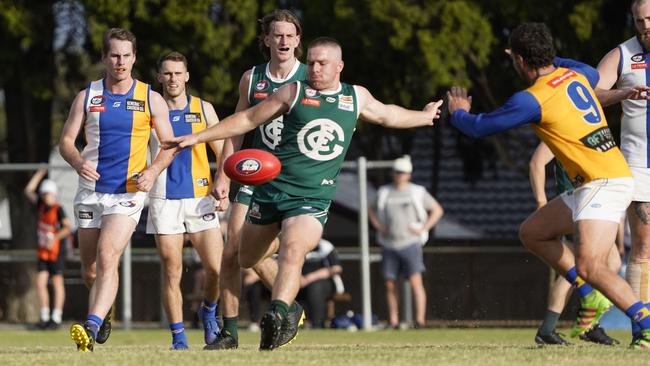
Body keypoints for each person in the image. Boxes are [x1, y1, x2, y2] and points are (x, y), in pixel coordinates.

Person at [163, 36, 443, 350]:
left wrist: (424, 116)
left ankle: (278, 313)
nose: (314, 68)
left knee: (294, 250)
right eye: (310, 62)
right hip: (270, 192)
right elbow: (246, 119)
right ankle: (290, 308)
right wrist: (197, 137)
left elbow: (388, 114)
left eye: (322, 63)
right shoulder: (294, 92)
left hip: (311, 198)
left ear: (340, 66)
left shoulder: (355, 97)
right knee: (244, 257)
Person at [447, 22, 650, 349]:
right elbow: (582, 68)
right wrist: (549, 58)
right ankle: (589, 295)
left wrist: (459, 113)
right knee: (533, 232)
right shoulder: (577, 75)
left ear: (521, 61)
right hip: (599, 179)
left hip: (603, 181)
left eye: (515, 59)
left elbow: (480, 128)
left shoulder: (531, 99)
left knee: (591, 264)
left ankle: (646, 324)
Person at [58, 28, 175, 352]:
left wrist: (152, 170)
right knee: (90, 268)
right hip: (90, 190)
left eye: (126, 55)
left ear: (134, 58)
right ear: (104, 58)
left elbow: (168, 146)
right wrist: (78, 161)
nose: (120, 61)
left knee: (108, 256)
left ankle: (91, 326)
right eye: (114, 55)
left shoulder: (151, 98)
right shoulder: (88, 96)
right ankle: (103, 311)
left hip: (128, 192)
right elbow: (66, 141)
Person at [206, 9, 308, 350]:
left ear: (298, 41)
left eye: (288, 35)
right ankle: (230, 334)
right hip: (256, 174)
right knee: (232, 252)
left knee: (268, 249)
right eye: (276, 34)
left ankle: (287, 307)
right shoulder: (252, 78)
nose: (282, 40)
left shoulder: (312, 78)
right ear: (266, 40)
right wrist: (222, 174)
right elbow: (238, 127)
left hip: (297, 178)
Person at [146, 51, 225, 350]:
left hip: (200, 198)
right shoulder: (150, 110)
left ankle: (208, 313)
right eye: (167, 73)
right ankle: (178, 337)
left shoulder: (204, 109)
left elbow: (222, 151)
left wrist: (223, 183)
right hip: (164, 198)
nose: (173, 79)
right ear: (159, 77)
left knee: (216, 268)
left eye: (178, 73)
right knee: (172, 269)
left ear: (187, 76)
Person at [594, 0, 650, 344]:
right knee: (643, 250)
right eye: (639, 20)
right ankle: (642, 330)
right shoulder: (622, 54)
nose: (645, 25)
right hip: (639, 166)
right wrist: (624, 92)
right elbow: (591, 94)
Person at [528, 142, 620, 345]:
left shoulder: (589, 132)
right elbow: (536, 163)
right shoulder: (561, 129)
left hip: (591, 206)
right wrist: (542, 205)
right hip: (574, 206)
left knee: (607, 264)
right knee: (581, 269)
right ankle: (554, 328)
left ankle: (582, 325)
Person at [368, 156, 443, 329]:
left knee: (416, 282)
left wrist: (424, 228)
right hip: (389, 243)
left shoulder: (417, 192)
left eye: (402, 173)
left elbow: (437, 210)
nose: (399, 175)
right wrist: (379, 226)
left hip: (411, 243)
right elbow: (370, 209)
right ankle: (393, 321)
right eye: (396, 172)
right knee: (390, 283)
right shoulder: (384, 192)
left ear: (409, 174)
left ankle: (419, 320)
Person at [24, 168, 72, 330]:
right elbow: (29, 190)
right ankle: (44, 316)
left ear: (54, 194)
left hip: (57, 251)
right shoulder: (41, 206)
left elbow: (67, 227)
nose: (46, 197)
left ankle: (56, 317)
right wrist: (39, 174)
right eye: (44, 194)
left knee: (57, 282)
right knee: (40, 282)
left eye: (49, 194)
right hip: (44, 251)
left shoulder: (58, 209)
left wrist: (55, 238)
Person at [298, 238, 344, 329]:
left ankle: (317, 325)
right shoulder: (294, 244)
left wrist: (308, 278)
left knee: (315, 287)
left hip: (324, 284)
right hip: (297, 283)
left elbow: (336, 268)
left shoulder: (325, 246)